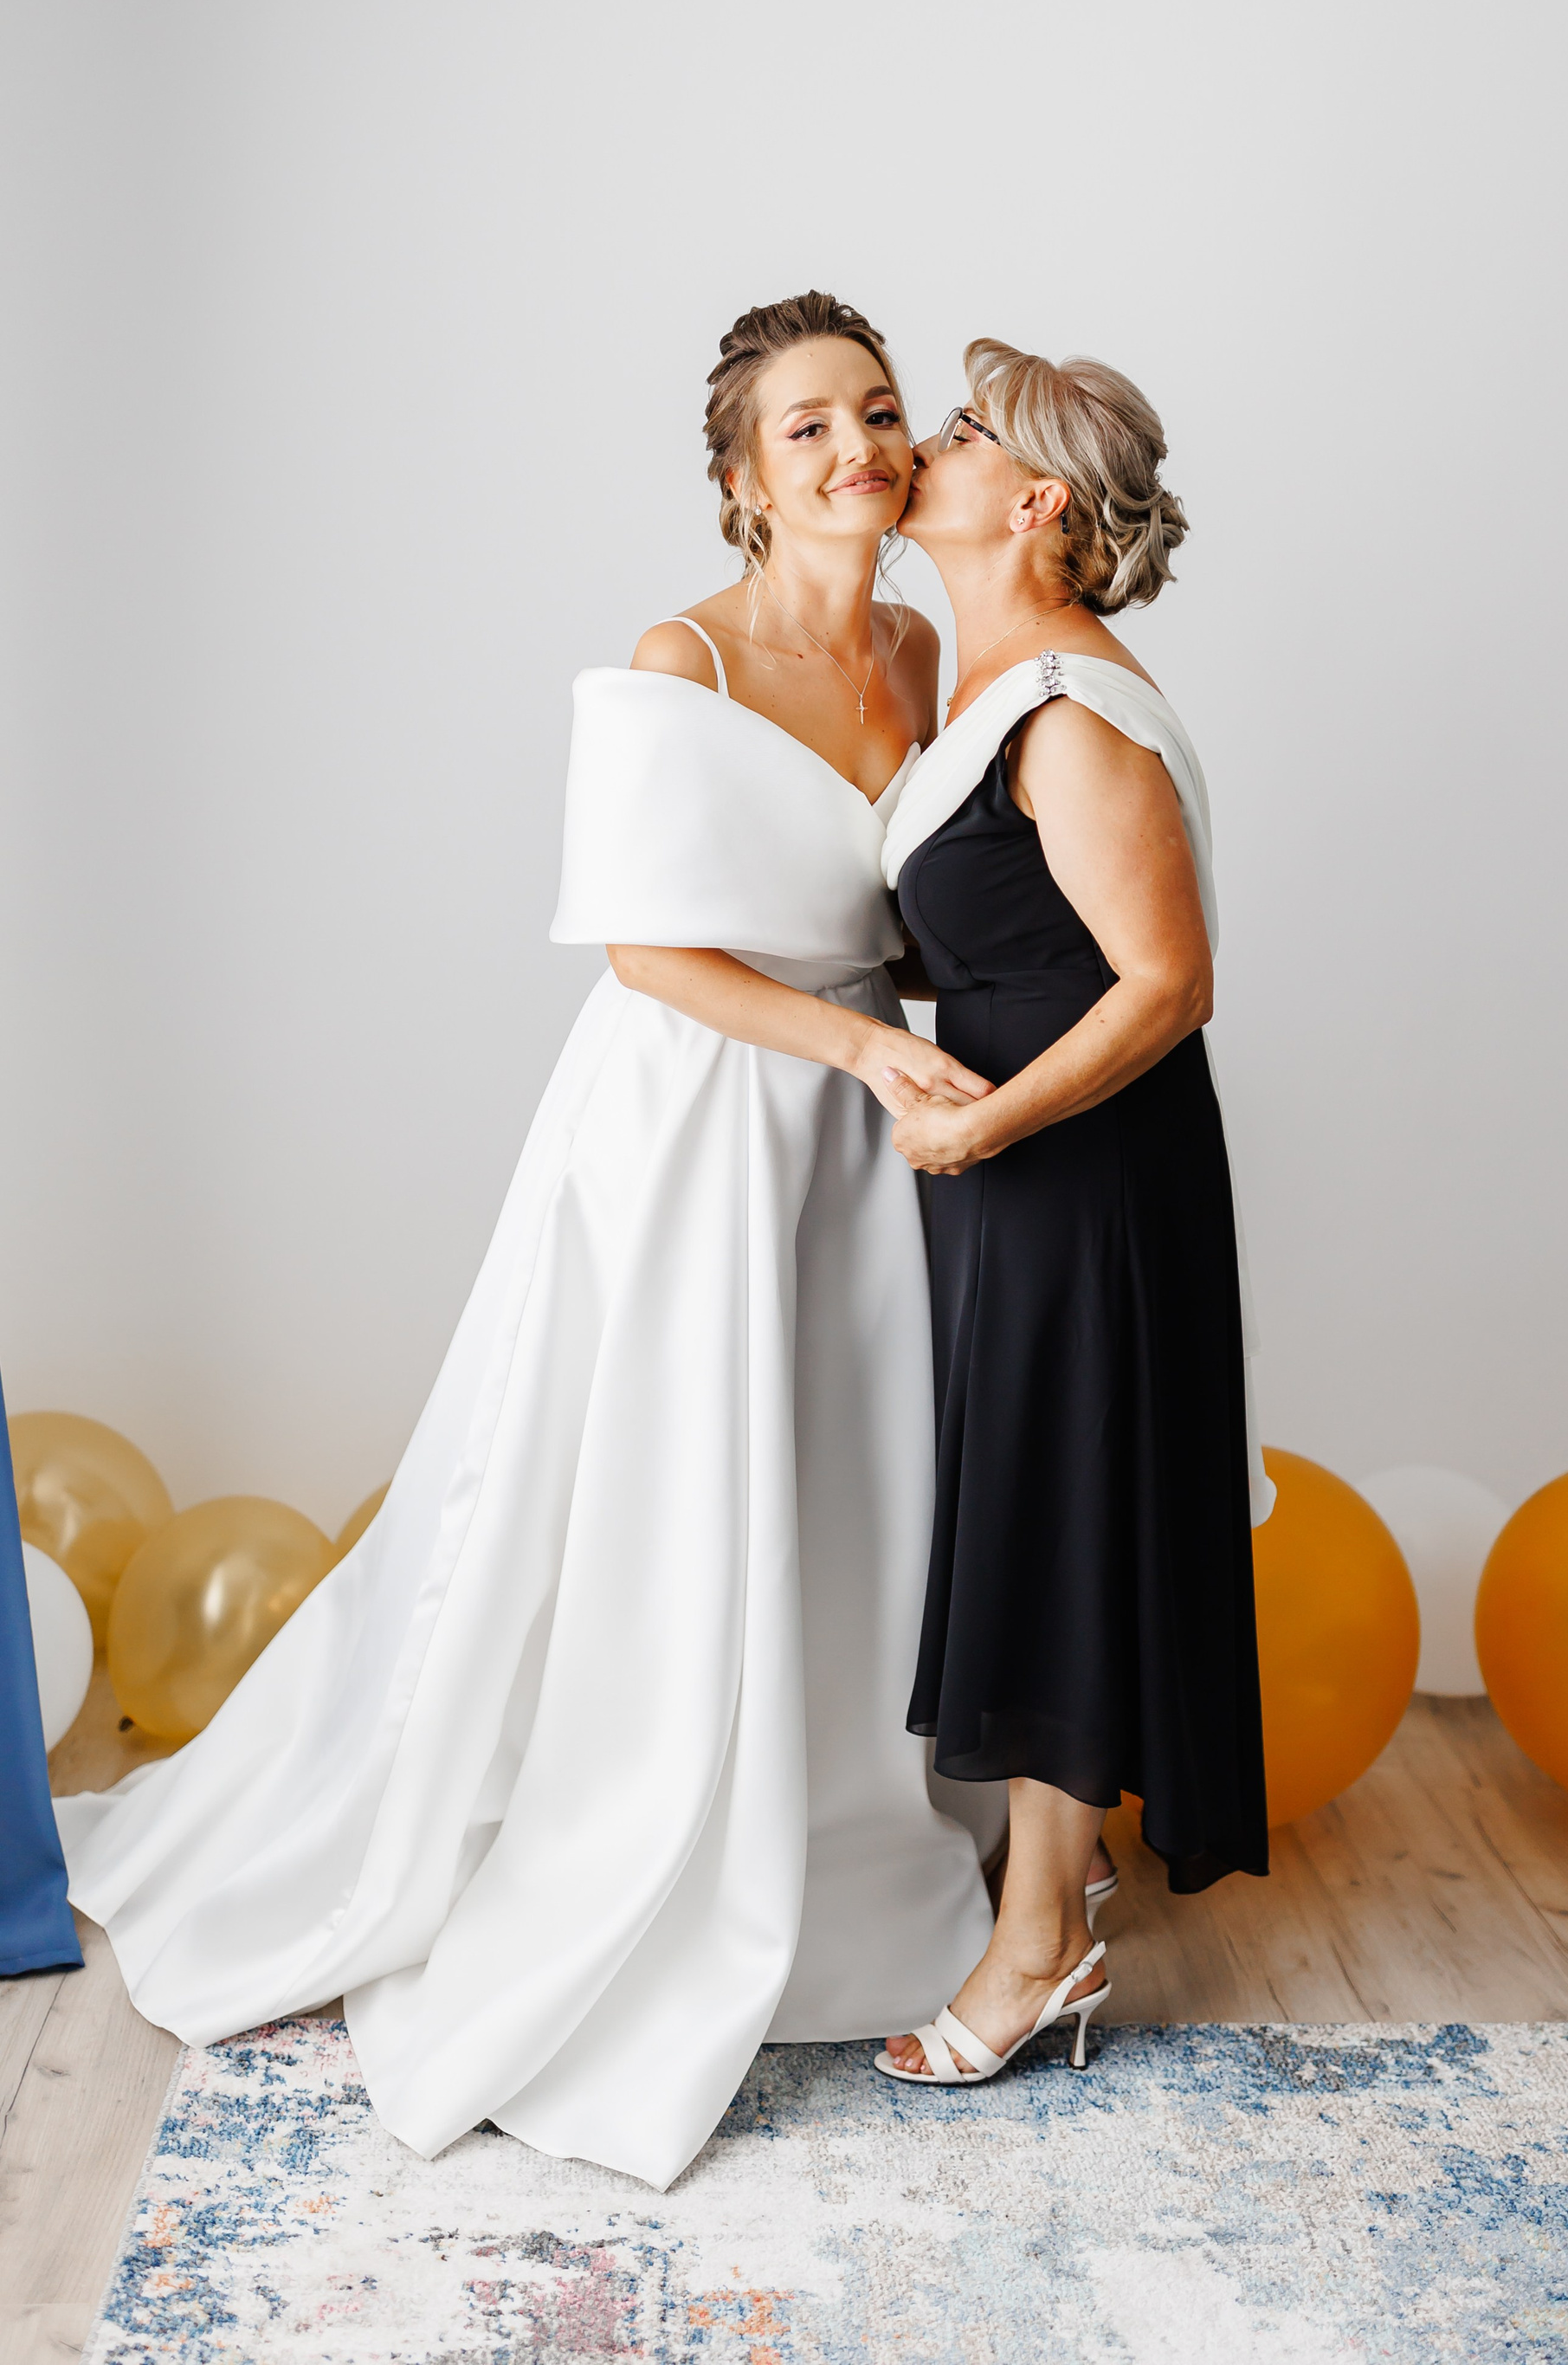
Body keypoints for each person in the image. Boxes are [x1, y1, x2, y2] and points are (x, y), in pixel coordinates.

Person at [55, 293, 996, 2187]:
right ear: (743, 478)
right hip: (703, 1112)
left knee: (844, 1474)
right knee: (668, 1482)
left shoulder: (922, 644)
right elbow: (648, 947)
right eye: (808, 426)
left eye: (880, 412)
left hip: (866, 1125)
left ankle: (843, 1836)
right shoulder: (681, 658)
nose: (857, 450)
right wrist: (855, 1049)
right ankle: (628, 1833)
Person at [872, 339, 1274, 2086]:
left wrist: (985, 1125)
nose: (924, 444)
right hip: (1025, 1167)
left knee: (1062, 1521)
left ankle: (1037, 1949)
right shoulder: (989, 684)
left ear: (1033, 500)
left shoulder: (1069, 712)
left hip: (1081, 1168)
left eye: (961, 431)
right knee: (1044, 1504)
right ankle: (1061, 1875)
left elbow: (1168, 984)